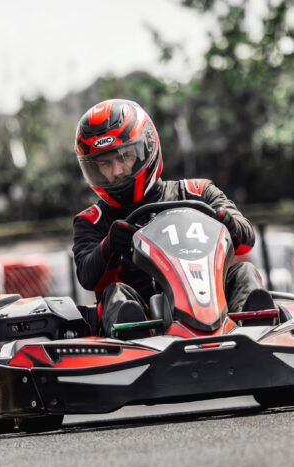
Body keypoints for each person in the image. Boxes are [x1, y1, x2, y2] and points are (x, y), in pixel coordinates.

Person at [71, 98, 273, 336]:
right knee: (115, 292)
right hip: (146, 324)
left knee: (244, 272)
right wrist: (110, 246)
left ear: (146, 147)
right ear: (92, 168)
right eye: (105, 163)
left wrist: (230, 224)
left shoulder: (198, 192)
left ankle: (258, 331)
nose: (117, 171)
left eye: (124, 157)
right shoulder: (92, 219)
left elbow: (246, 238)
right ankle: (131, 339)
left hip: (215, 306)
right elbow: (87, 277)